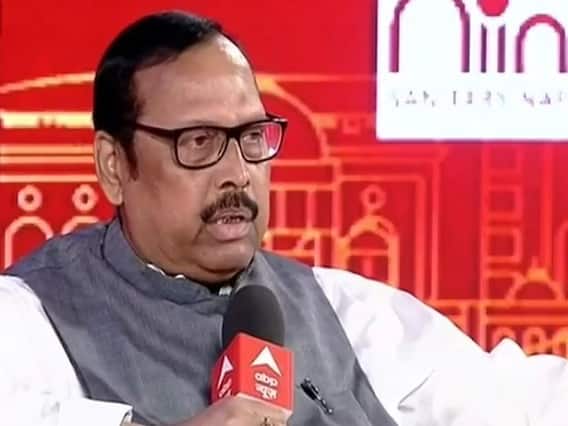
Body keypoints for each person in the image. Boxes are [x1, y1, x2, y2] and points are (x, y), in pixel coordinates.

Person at [0, 10, 566, 426]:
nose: (238, 173)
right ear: (113, 165)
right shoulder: (30, 318)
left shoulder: (345, 313)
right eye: (199, 142)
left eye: (252, 137)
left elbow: (520, 401)